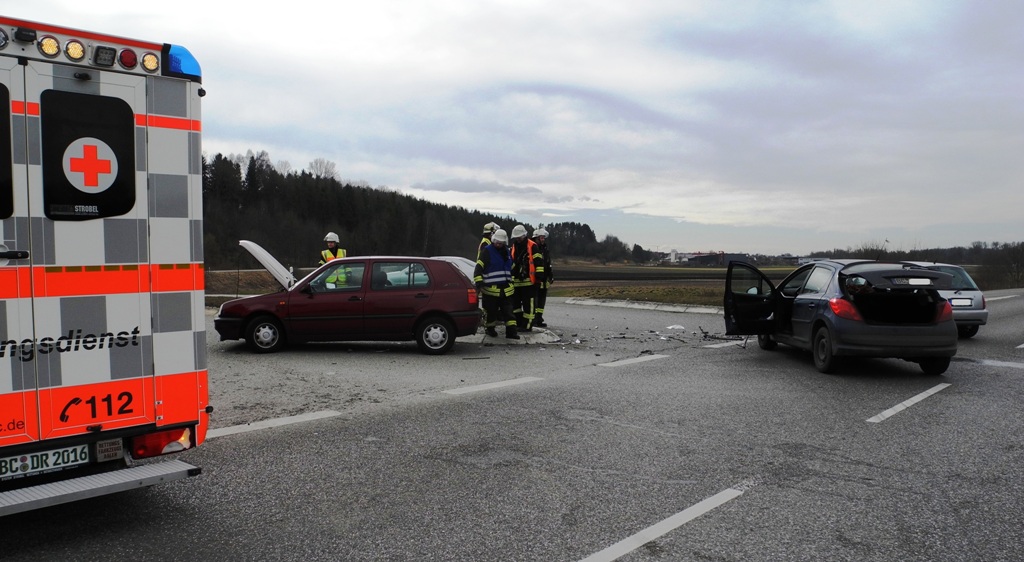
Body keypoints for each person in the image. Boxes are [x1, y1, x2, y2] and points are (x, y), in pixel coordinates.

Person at [474, 229, 518, 339]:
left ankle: (512, 332)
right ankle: (490, 330)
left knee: (509, 313)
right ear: (493, 240)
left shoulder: (507, 251)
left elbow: (511, 266)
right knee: (491, 313)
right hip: (491, 291)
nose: (499, 244)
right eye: (497, 242)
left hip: (506, 290)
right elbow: (478, 268)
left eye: (501, 242)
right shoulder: (487, 251)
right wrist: (479, 283)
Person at [509, 224, 544, 332]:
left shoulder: (532, 246)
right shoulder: (514, 246)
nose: (518, 239)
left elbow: (539, 264)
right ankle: (519, 323)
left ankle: (527, 326)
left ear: (524, 235)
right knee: (515, 306)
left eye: (519, 237)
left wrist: (538, 279)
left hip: (529, 282)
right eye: (516, 237)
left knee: (529, 306)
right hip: (516, 282)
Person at [532, 227, 553, 327]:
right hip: (536, 279)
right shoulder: (533, 248)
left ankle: (539, 318)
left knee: (541, 301)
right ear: (536, 238)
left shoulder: (545, 249)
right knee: (535, 301)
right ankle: (534, 319)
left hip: (544, 279)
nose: (543, 239)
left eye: (544, 238)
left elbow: (548, 263)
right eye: (541, 237)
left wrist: (550, 275)